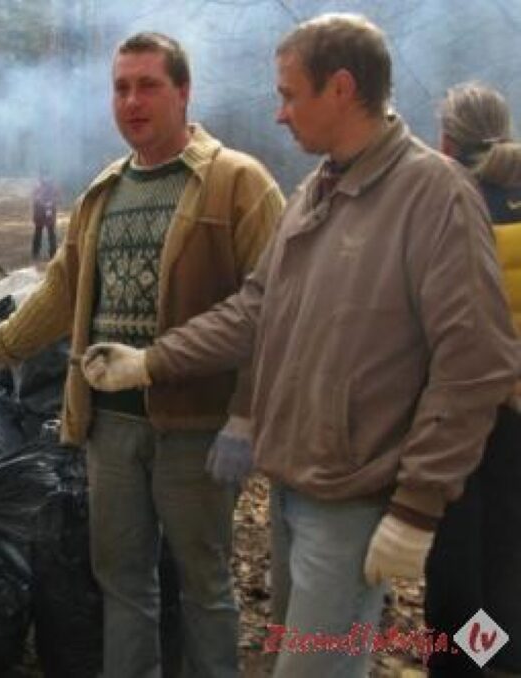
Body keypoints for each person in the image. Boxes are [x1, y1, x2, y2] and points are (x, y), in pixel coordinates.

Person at [81, 15, 519, 678]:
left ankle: (488, 657)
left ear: (340, 88)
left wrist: (417, 505)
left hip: (352, 494)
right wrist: (150, 362)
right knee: (307, 655)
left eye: (289, 95)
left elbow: (476, 361)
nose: (279, 113)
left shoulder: (434, 194)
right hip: (294, 482)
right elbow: (254, 309)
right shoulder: (317, 192)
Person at [0, 32, 284, 677]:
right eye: (121, 88)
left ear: (183, 92)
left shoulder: (237, 182)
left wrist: (248, 416)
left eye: (148, 86)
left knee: (204, 583)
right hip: (109, 426)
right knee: (122, 581)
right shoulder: (104, 191)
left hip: (197, 427)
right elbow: (61, 290)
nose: (132, 101)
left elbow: (274, 309)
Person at [424, 82, 521, 678]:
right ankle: (502, 655)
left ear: (446, 140)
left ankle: (462, 662)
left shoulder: (448, 203)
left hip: (464, 407)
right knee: (508, 544)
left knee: (457, 553)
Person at [31, 172, 58, 260]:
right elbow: (36, 198)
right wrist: (44, 203)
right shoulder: (38, 186)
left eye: (48, 176)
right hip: (40, 213)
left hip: (49, 213)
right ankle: (35, 253)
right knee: (38, 233)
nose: (46, 178)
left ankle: (53, 253)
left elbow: (56, 197)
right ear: (41, 177)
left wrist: (51, 203)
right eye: (45, 176)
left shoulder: (53, 186)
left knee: (51, 233)